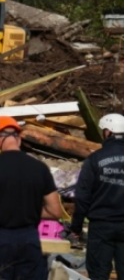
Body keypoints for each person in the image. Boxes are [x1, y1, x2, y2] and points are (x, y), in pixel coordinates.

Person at [0, 116, 63, 280]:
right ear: (18, 139)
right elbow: (55, 211)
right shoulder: (40, 168)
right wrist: (25, 211)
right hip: (28, 240)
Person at [69, 113, 123, 280]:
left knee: (99, 273)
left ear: (107, 132)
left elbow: (83, 196)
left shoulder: (94, 159)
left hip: (101, 226)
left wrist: (76, 227)